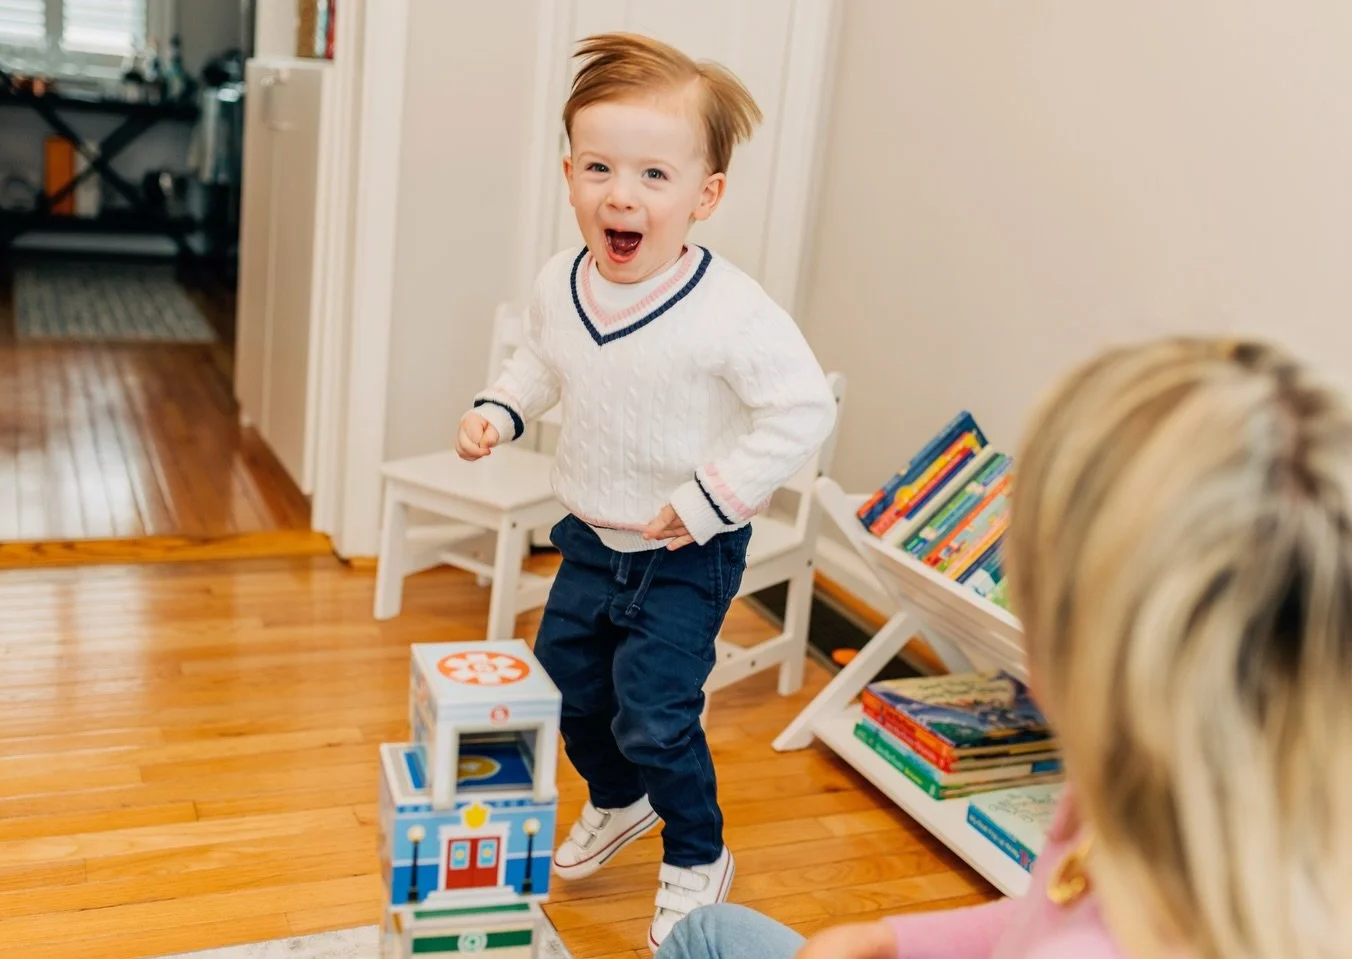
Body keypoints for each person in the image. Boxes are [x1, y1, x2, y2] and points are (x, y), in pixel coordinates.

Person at [658, 336, 1352, 959]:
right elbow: (1036, 917)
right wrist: (890, 937)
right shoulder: (1187, 803)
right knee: (709, 931)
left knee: (704, 938)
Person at [453, 32, 837, 952]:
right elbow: (543, 359)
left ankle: (697, 852)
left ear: (703, 196)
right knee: (573, 693)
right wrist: (502, 409)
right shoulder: (561, 280)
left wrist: (712, 495)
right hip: (591, 532)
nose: (620, 194)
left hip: (686, 550)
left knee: (656, 712)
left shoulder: (732, 311)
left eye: (653, 176)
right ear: (569, 174)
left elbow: (801, 409)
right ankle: (620, 801)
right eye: (599, 167)